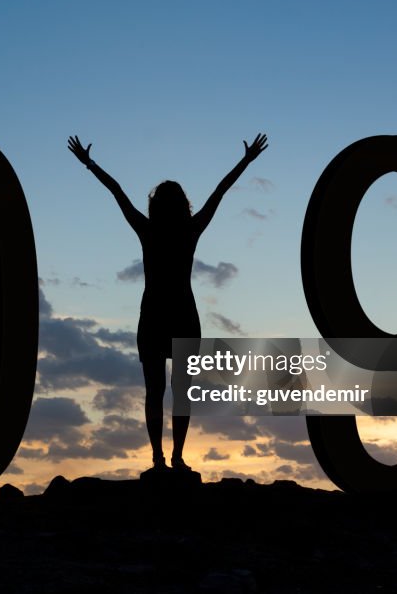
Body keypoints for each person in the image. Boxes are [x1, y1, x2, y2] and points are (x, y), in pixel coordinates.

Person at [67, 133, 269, 470]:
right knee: (180, 392)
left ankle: (160, 458)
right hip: (183, 317)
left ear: (155, 205)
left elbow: (117, 192)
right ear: (183, 205)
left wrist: (90, 164)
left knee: (154, 392)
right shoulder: (191, 230)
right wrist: (246, 161)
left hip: (154, 317)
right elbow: (220, 191)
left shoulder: (148, 230)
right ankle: (174, 457)